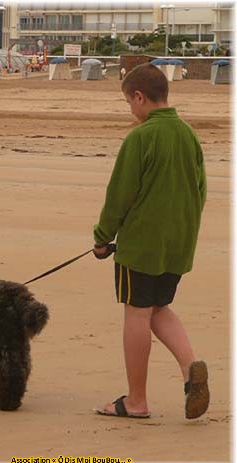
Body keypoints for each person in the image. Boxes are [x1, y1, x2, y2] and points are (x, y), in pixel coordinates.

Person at [93, 63, 209, 420]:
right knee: (158, 307)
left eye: (129, 102)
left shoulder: (140, 137)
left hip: (143, 244)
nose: (130, 109)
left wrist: (102, 238)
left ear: (140, 97)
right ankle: (191, 368)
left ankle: (137, 400)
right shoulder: (188, 134)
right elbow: (200, 190)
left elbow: (120, 195)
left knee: (136, 313)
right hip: (179, 242)